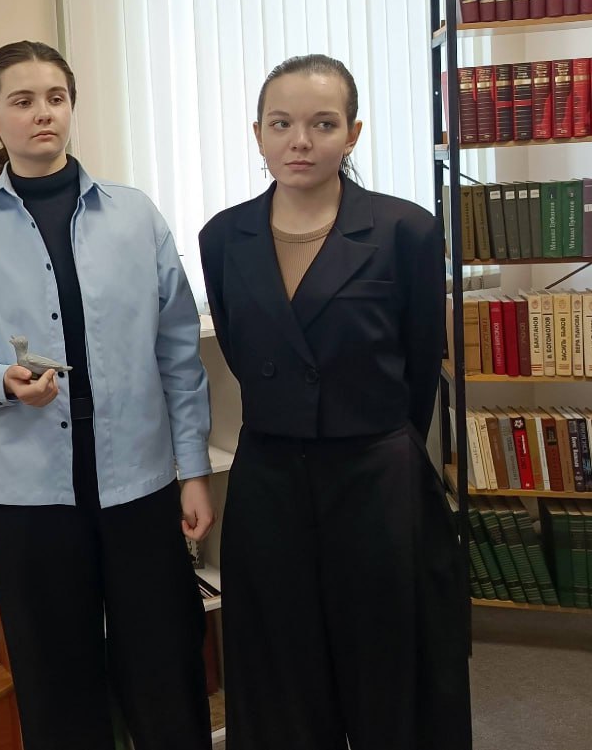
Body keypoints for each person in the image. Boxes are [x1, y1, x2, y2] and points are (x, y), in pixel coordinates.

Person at [0, 41, 214, 750]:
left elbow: (178, 353)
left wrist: (194, 469)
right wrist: (0, 382)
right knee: (56, 685)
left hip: (138, 484)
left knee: (165, 669)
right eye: (22, 101)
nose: (43, 113)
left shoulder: (135, 217)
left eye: (56, 97)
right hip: (24, 502)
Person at [197, 54, 469, 750]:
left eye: (323, 124)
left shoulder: (406, 229)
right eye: (281, 123)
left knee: (387, 659)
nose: (300, 141)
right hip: (270, 475)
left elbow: (419, 365)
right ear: (257, 133)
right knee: (281, 664)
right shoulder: (223, 236)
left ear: (353, 133)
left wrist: (370, 433)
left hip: (376, 471)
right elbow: (241, 348)